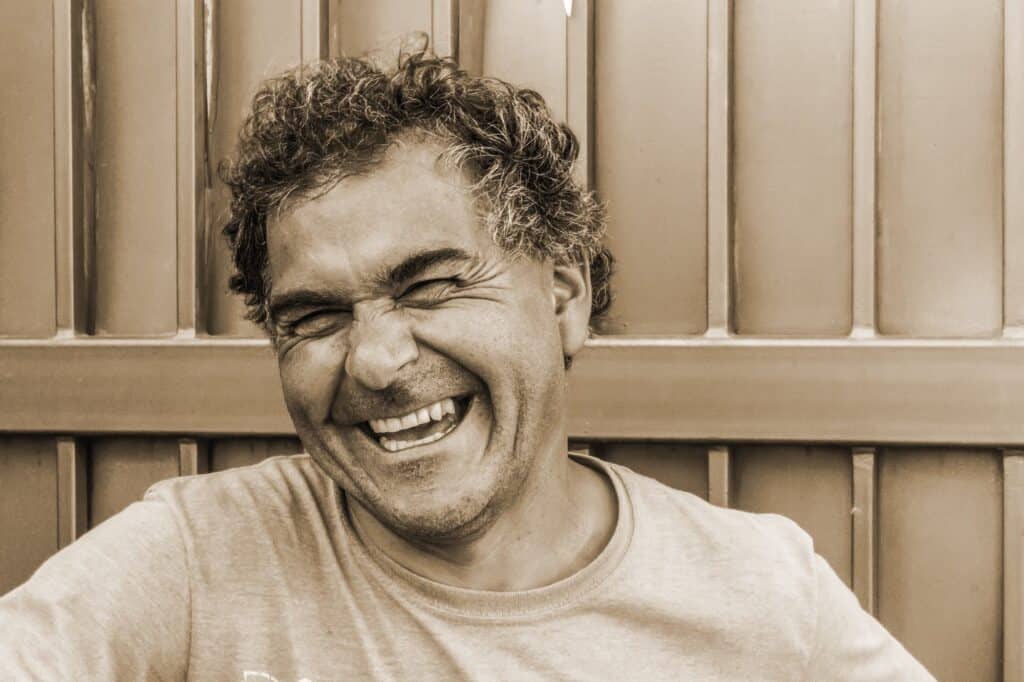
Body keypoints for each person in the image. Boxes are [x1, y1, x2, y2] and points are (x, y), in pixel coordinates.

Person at [0, 53, 932, 680]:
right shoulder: (195, 560)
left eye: (432, 286)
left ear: (562, 297)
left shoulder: (759, 591)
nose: (376, 361)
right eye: (314, 317)